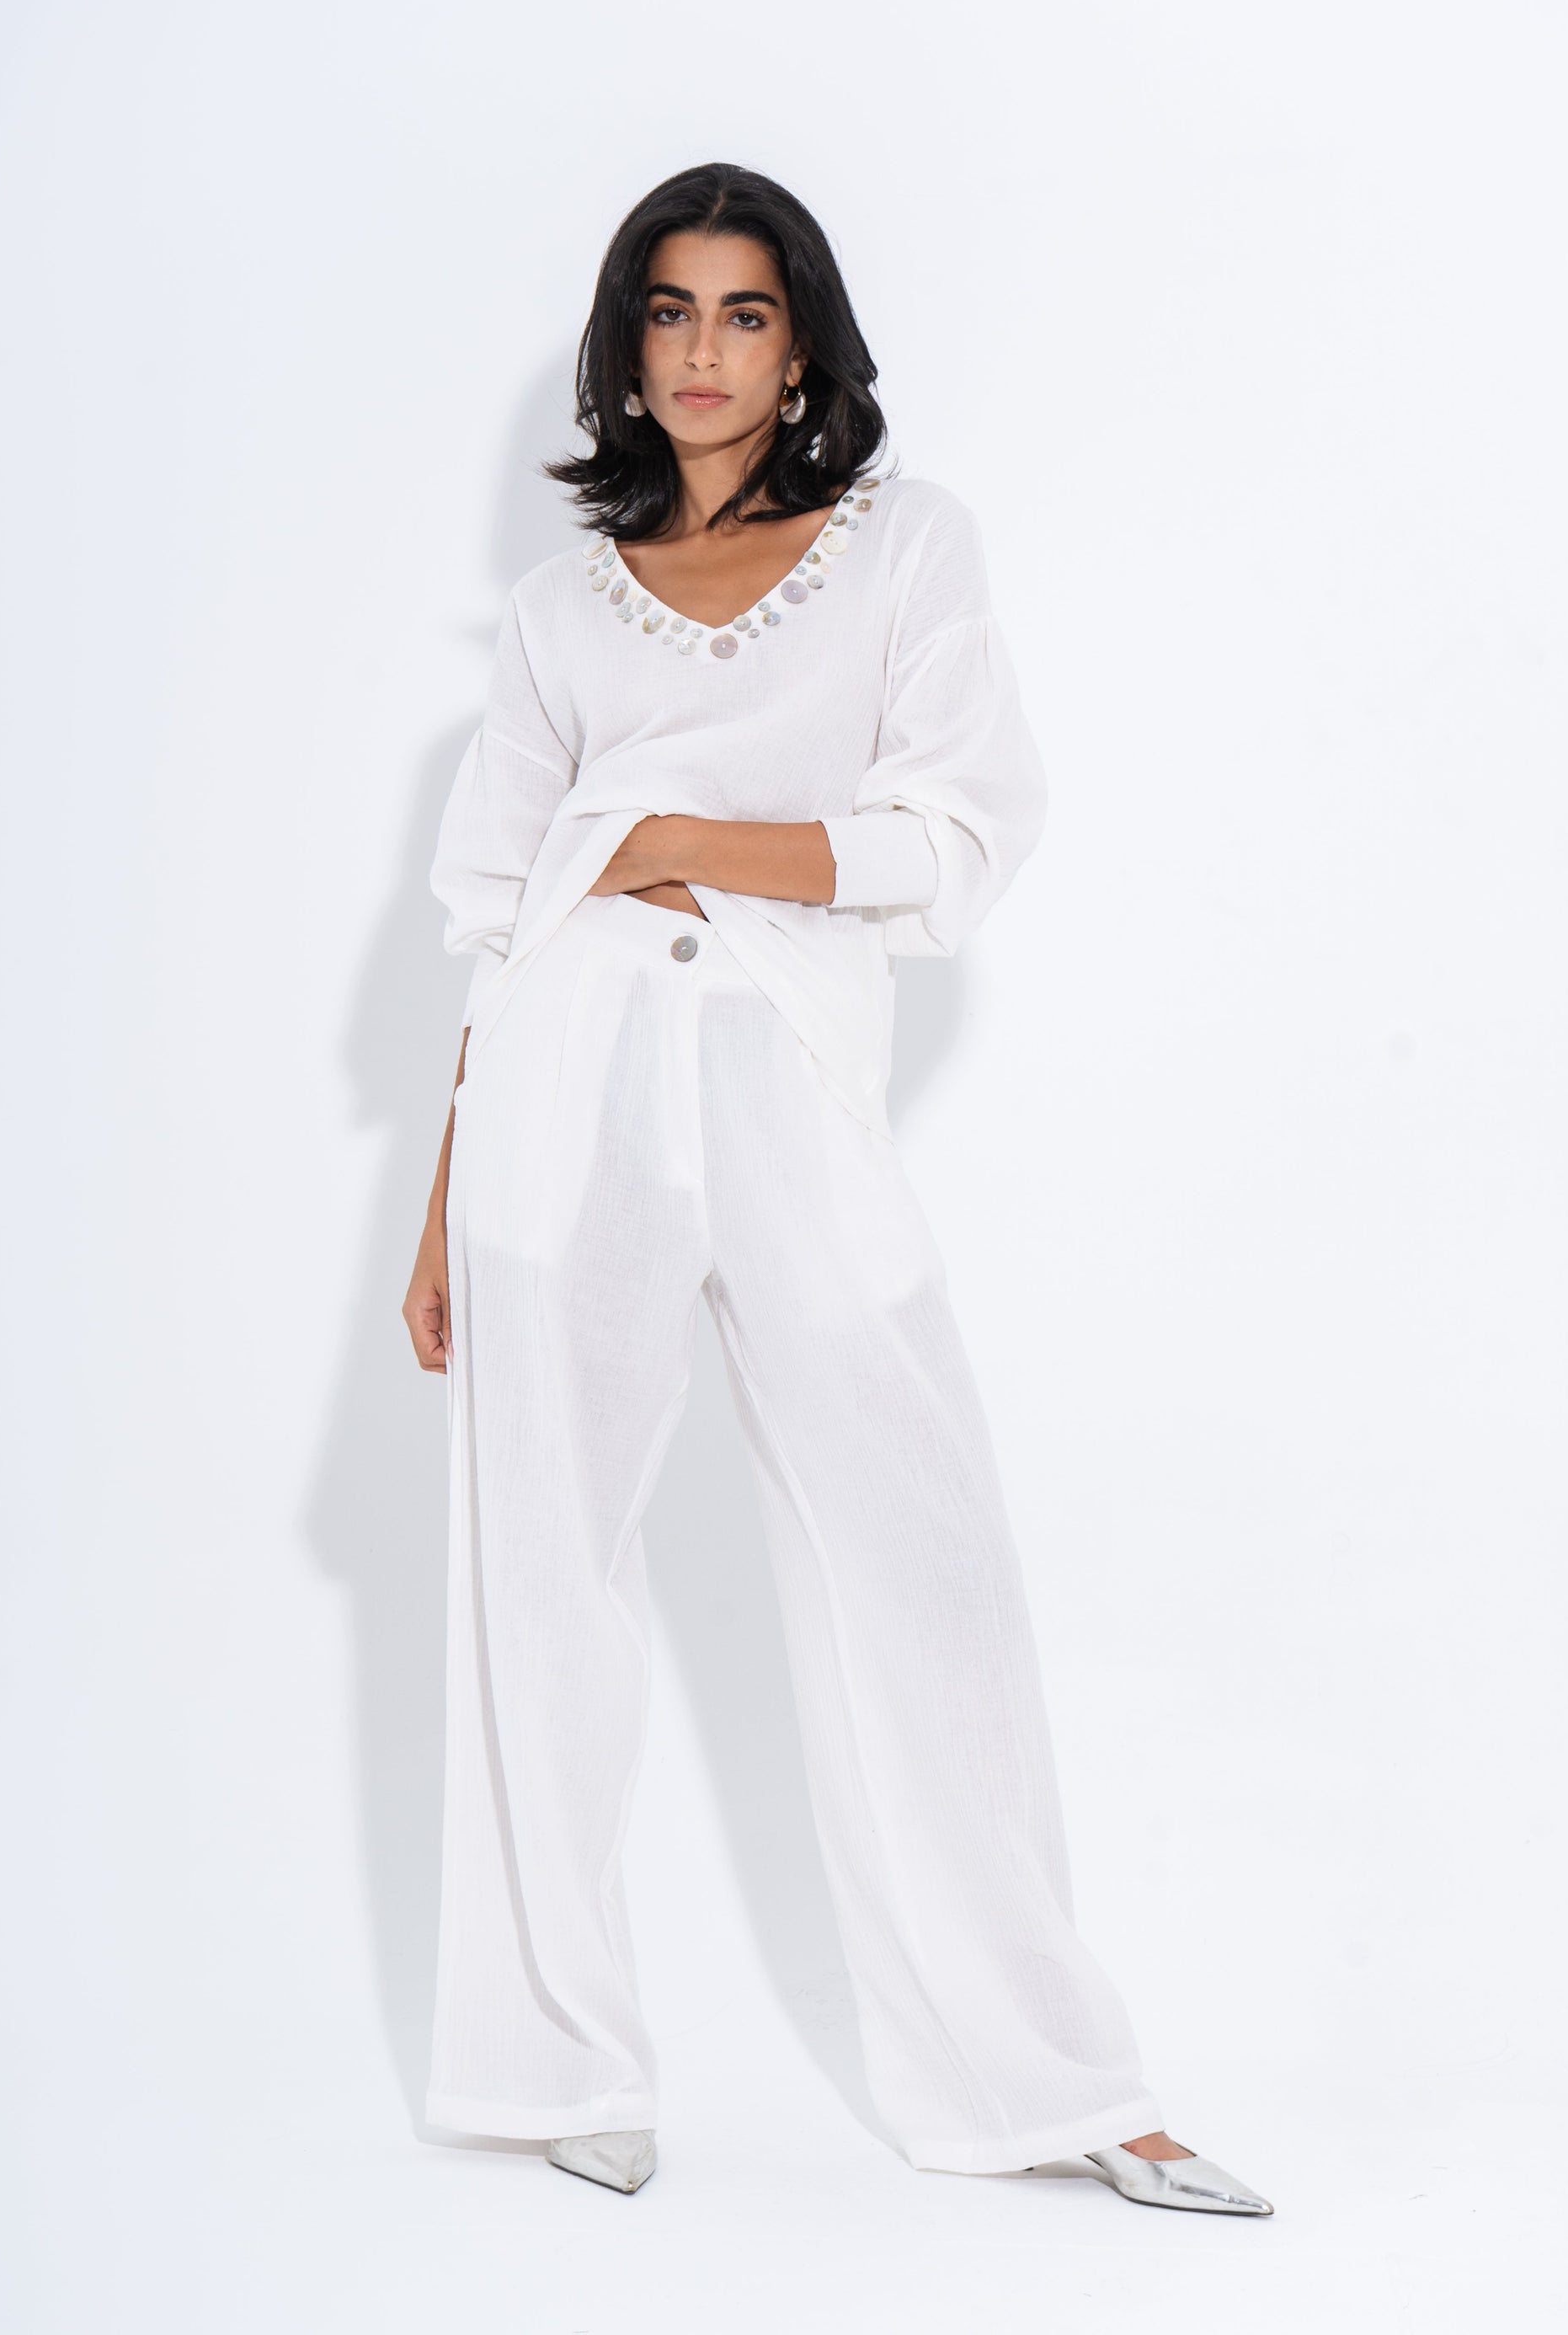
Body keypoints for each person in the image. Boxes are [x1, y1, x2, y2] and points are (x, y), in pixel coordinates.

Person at [402, 163, 1271, 2218]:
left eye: (745, 312)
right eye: (668, 311)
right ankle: (549, 2057)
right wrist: (438, 1207)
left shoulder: (905, 548)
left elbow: (949, 841)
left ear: (804, 345)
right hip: (558, 1082)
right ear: (625, 344)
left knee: (922, 1560)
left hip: (781, 1078)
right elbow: (494, 927)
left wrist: (669, 833)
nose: (701, 350)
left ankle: (1053, 2081)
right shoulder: (556, 610)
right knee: (540, 1570)